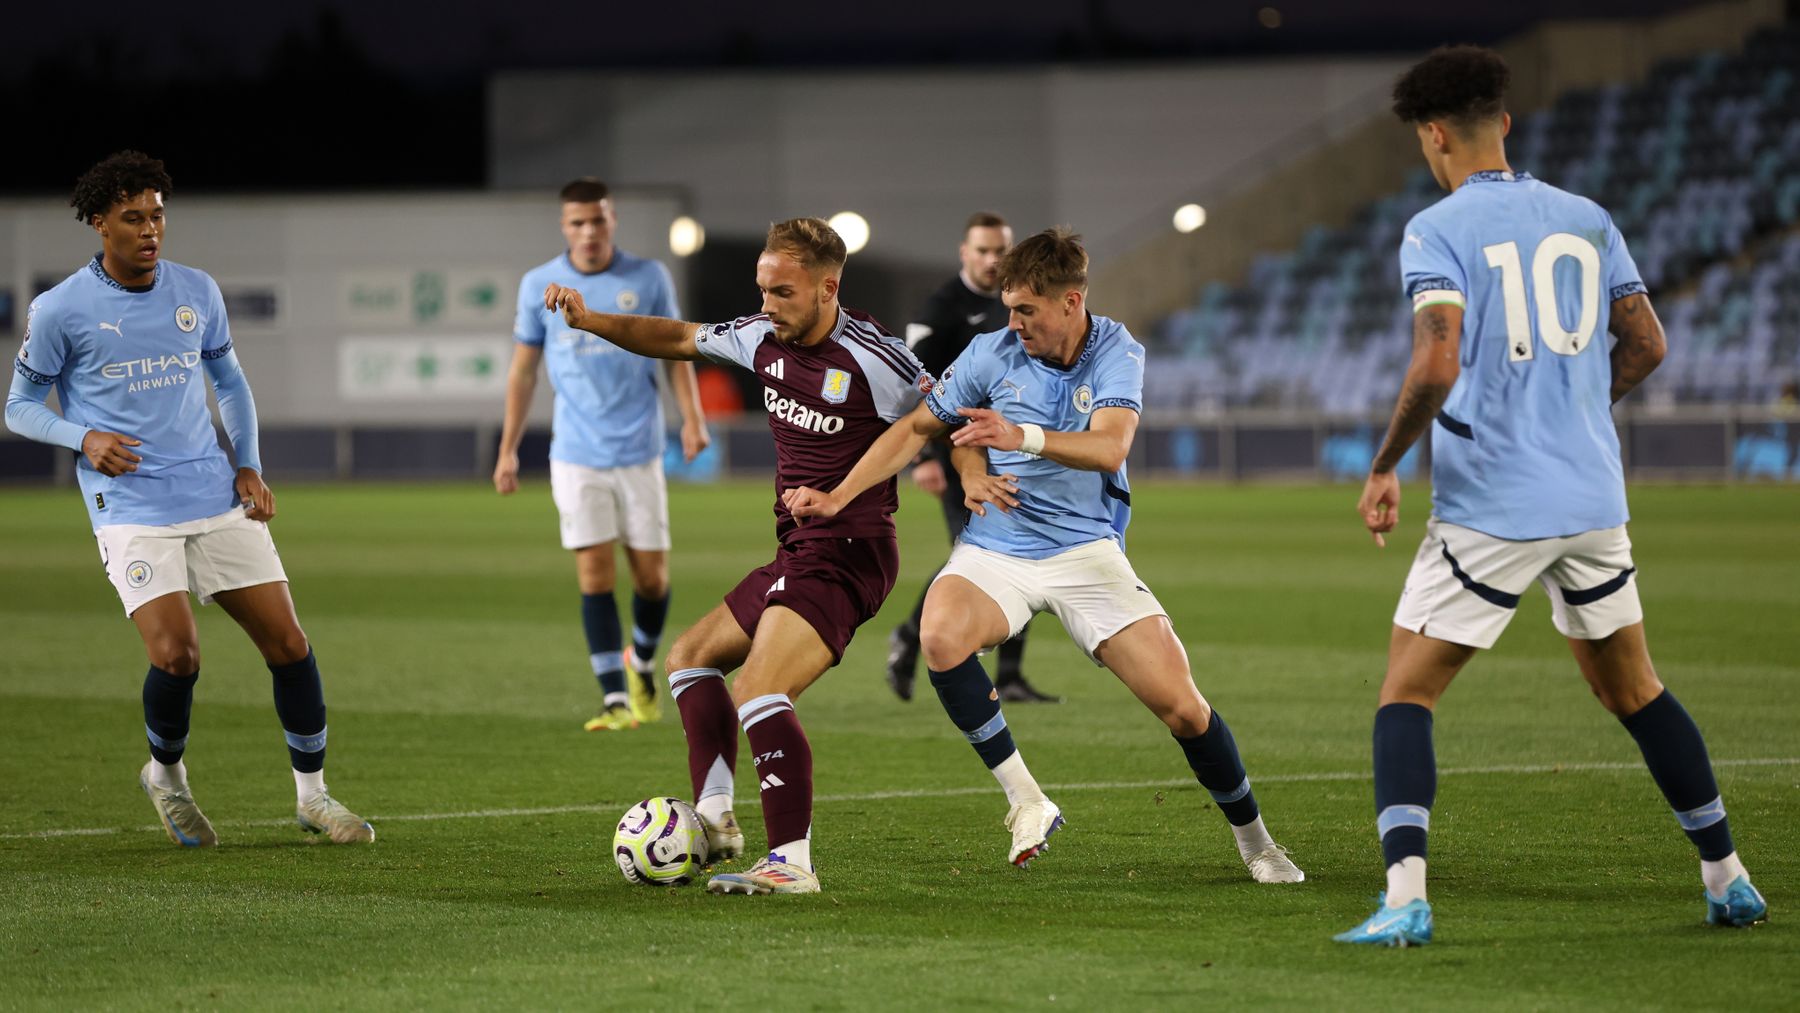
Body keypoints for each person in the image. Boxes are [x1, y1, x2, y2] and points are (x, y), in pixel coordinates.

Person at [1336, 46, 1766, 947]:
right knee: (1635, 690)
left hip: (1493, 501)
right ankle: (1727, 877)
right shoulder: (1587, 216)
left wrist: (1385, 463)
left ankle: (1405, 896)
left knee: (1405, 694)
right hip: (1592, 497)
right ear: (1506, 121)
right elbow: (1647, 342)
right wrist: (1577, 407)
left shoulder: (1436, 228)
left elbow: (1436, 359)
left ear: (1433, 134)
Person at [785, 228, 1304, 884]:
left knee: (1183, 707)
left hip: (1087, 550)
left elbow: (1109, 447)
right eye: (1008, 307)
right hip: (999, 542)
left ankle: (1257, 842)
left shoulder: (1117, 351)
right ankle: (1027, 800)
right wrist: (842, 495)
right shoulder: (990, 351)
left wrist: (1016, 434)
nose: (1014, 323)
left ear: (1070, 303)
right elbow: (925, 426)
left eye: (1026, 309)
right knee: (940, 633)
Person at [544, 218, 929, 895]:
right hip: (798, 550)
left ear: (827, 288)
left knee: (758, 686)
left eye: (782, 291)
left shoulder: (875, 356)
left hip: (850, 552)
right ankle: (718, 819)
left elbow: (946, 410)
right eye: (762, 288)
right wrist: (589, 320)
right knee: (689, 658)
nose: (767, 304)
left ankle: (793, 862)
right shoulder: (760, 337)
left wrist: (976, 472)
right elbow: (674, 336)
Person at [4, 151, 372, 847]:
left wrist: (249, 466)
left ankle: (315, 798)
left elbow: (230, 384)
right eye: (132, 218)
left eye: (158, 216)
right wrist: (82, 437)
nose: (150, 230)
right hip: (132, 507)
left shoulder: (196, 291)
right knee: (178, 656)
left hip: (211, 490)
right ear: (98, 223)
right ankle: (166, 778)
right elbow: (19, 405)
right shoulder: (60, 309)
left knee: (290, 643)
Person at [494, 178, 709, 733]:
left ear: (612, 221)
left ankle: (640, 659)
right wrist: (509, 448)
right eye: (577, 223)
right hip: (576, 454)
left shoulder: (649, 277)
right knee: (594, 574)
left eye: (598, 220)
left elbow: (677, 350)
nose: (589, 231)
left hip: (639, 449)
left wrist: (693, 417)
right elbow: (522, 370)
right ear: (565, 228)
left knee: (652, 581)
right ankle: (614, 699)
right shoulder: (539, 284)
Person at [885, 212, 1056, 704]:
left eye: (1000, 250)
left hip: (1013, 449)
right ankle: (911, 637)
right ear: (964, 252)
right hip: (959, 452)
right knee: (979, 555)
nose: (991, 260)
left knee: (1020, 547)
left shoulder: (1020, 304)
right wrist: (924, 459)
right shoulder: (942, 308)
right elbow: (913, 384)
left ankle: (1011, 675)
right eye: (982, 251)